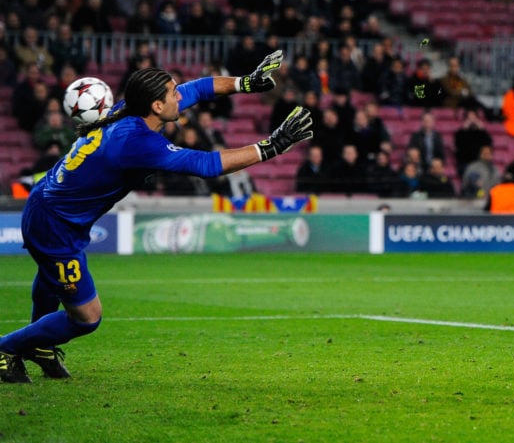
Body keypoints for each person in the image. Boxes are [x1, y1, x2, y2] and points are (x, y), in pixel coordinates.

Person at [0, 51, 314, 383]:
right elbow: (206, 165)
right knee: (86, 318)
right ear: (157, 107)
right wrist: (272, 146)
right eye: (172, 94)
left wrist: (245, 83)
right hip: (54, 225)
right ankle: (7, 348)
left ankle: (41, 345)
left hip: (51, 206)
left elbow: (197, 90)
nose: (181, 95)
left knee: (54, 279)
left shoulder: (128, 109)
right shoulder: (136, 142)